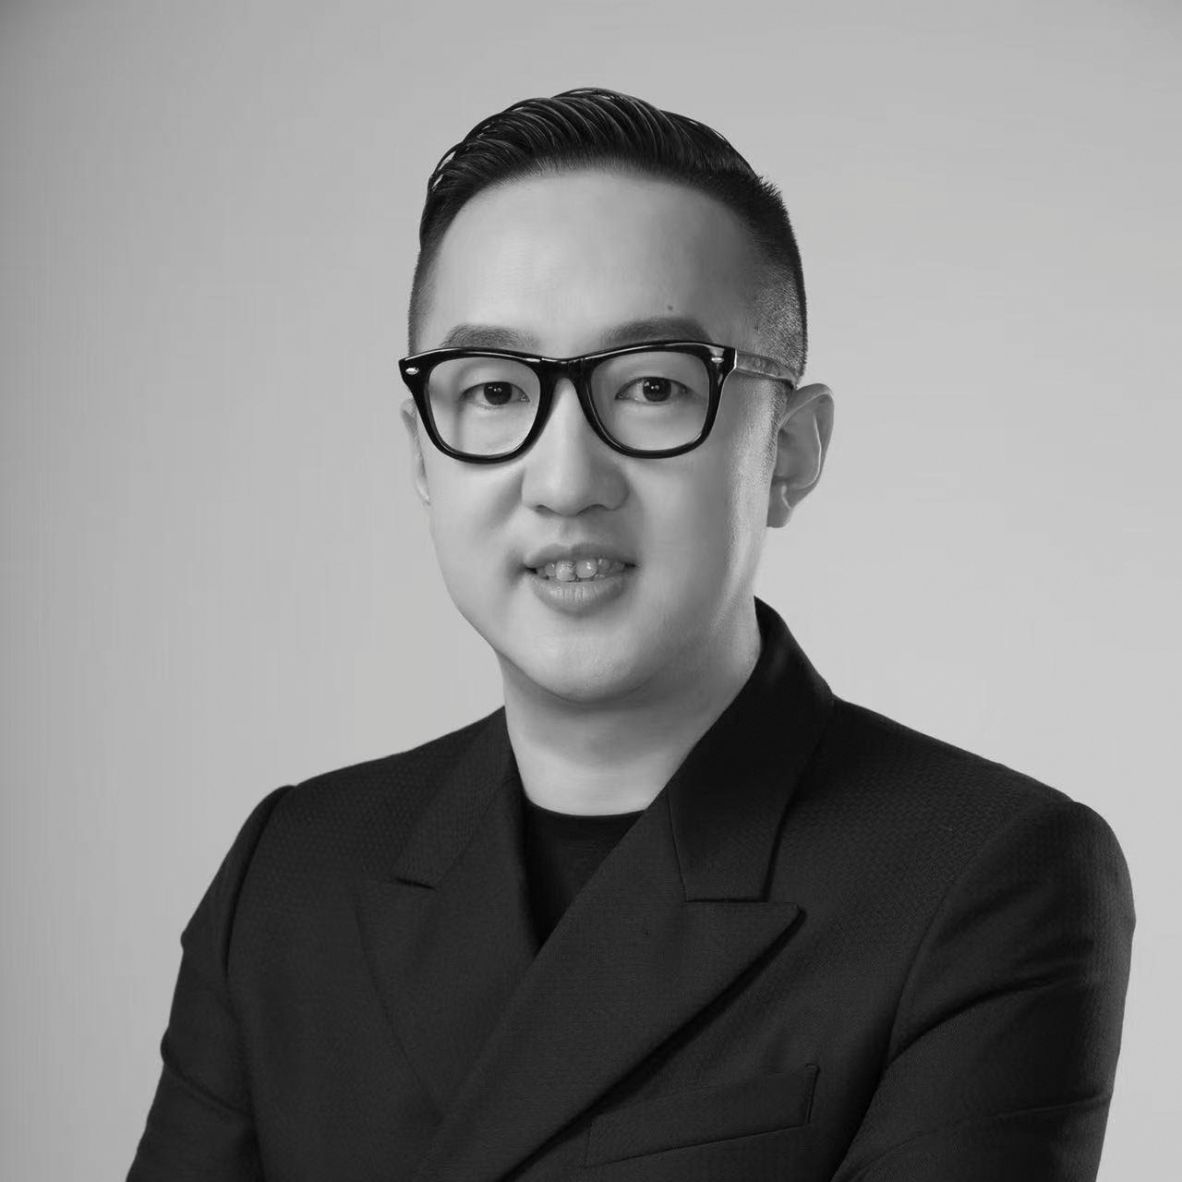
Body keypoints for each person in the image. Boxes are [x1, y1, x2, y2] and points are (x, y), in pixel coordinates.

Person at [127, 87, 1134, 1182]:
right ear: (421, 453)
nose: (564, 480)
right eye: (495, 390)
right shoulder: (293, 875)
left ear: (791, 451)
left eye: (652, 387)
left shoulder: (988, 879)